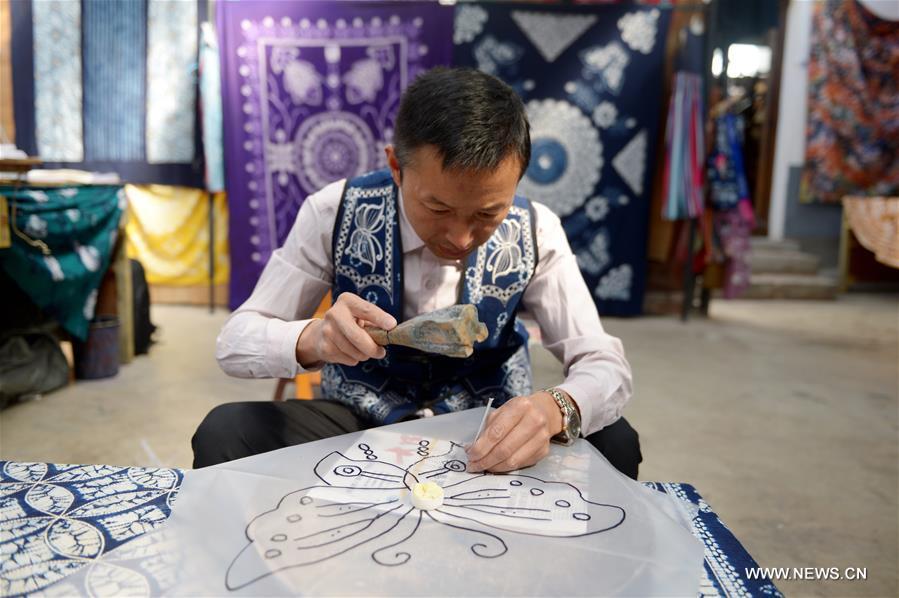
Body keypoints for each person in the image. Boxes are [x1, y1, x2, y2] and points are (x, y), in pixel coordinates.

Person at [193, 67, 642, 479]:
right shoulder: (333, 212)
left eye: (488, 212)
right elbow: (235, 342)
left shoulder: (536, 228)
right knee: (228, 430)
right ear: (395, 167)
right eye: (438, 207)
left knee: (615, 442)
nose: (462, 237)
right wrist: (315, 340)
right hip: (360, 423)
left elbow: (604, 363)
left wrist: (555, 408)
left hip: (489, 427)